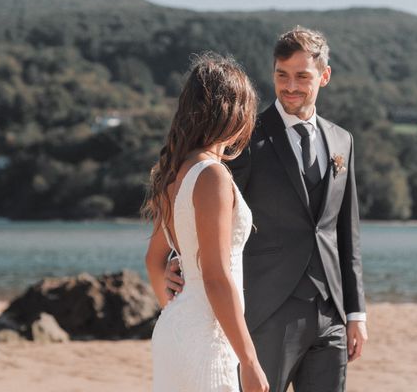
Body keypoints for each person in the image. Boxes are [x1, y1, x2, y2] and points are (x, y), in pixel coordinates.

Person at [166, 27, 368, 392]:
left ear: (324, 76)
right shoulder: (245, 136)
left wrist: (355, 313)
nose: (290, 86)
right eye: (281, 75)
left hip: (331, 313)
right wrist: (178, 255)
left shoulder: (342, 141)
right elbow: (205, 202)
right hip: (267, 308)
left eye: (302, 76)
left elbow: (345, 235)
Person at [143, 52, 269, 392]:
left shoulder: (172, 173)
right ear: (233, 112)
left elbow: (154, 261)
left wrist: (176, 307)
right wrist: (250, 360)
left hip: (176, 327)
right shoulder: (212, 175)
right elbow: (215, 276)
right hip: (207, 334)